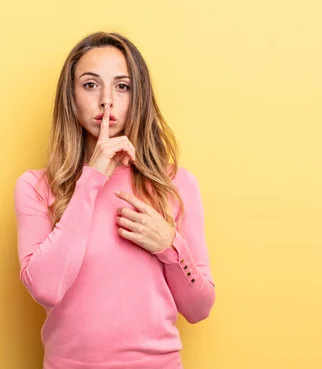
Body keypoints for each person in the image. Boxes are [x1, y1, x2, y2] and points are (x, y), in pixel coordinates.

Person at [13, 31, 216, 369]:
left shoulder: (175, 183)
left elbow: (200, 308)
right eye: (90, 85)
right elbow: (45, 288)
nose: (107, 100)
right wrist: (91, 179)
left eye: (122, 86)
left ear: (139, 97)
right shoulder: (36, 186)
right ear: (71, 97)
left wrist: (170, 245)